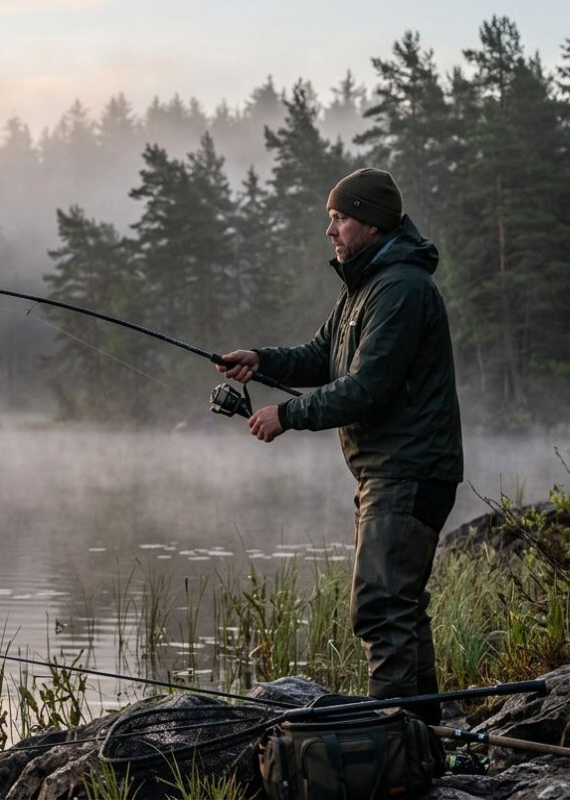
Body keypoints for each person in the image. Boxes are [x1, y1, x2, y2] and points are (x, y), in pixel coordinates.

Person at [216, 168, 463, 722]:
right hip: (394, 471)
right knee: (401, 609)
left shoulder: (400, 288)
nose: (330, 230)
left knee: (379, 609)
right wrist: (262, 359)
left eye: (339, 218)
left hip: (408, 470)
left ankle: (395, 744)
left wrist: (287, 414)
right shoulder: (364, 286)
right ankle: (422, 736)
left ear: (371, 224)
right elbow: (322, 356)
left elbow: (366, 388)